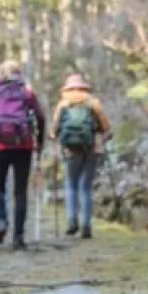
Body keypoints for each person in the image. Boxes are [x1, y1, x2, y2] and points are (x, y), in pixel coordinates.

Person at [0, 61, 45, 249]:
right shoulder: (27, 91)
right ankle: (18, 237)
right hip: (24, 144)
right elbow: (40, 116)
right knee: (20, 191)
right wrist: (40, 141)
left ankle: (1, 224)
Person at [51, 73, 112, 239]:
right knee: (85, 187)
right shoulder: (94, 103)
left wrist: (58, 139)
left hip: (71, 151)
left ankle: (72, 221)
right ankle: (86, 225)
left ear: (67, 88)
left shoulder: (63, 104)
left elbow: (53, 131)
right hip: (92, 149)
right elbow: (106, 126)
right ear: (85, 87)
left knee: (71, 185)